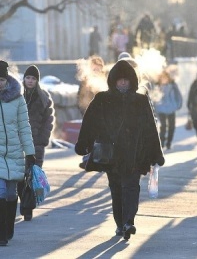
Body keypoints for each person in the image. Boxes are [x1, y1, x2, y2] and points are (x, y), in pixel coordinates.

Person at [74, 60, 165, 240]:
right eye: (120, 80)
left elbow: (150, 129)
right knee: (116, 190)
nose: (123, 83)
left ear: (132, 81)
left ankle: (128, 222)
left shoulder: (140, 100)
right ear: (113, 81)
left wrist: (156, 154)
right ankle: (120, 224)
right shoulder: (102, 99)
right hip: (112, 155)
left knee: (132, 188)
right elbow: (90, 123)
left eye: (126, 80)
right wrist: (84, 144)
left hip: (135, 154)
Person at [0, 60, 36, 246]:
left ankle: (8, 228)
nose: (0, 83)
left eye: (2, 79)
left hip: (14, 153)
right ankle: (1, 233)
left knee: (12, 194)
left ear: (6, 80)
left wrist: (30, 153)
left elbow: (24, 127)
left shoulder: (17, 98)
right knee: (1, 191)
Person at [17, 65, 55, 221]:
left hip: (36, 145)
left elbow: (49, 121)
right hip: (17, 144)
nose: (30, 81)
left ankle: (27, 209)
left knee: (32, 176)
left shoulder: (44, 98)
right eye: (28, 78)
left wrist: (42, 141)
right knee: (19, 177)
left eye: (33, 78)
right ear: (24, 79)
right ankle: (24, 203)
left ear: (37, 80)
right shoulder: (17, 97)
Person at [152, 70, 183, 150]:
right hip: (161, 108)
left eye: (165, 77)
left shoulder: (173, 85)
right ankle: (162, 142)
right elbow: (154, 97)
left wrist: (178, 104)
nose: (164, 79)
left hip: (171, 108)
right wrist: (154, 107)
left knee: (172, 126)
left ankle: (169, 142)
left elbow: (178, 95)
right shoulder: (157, 86)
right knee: (163, 126)